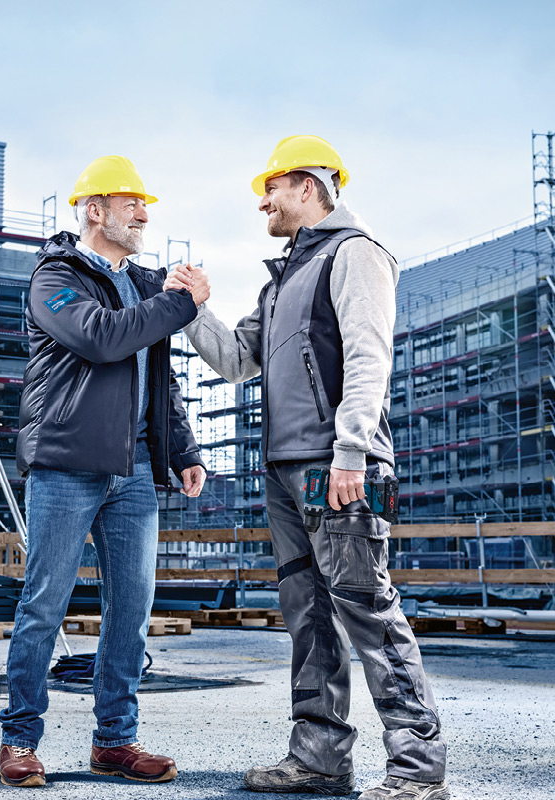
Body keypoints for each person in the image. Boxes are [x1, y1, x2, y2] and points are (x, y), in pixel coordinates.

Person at [166, 136, 448, 800]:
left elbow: (370, 356)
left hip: (337, 467)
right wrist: (194, 307)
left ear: (308, 187)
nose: (262, 200)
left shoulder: (356, 254)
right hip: (286, 471)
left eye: (271, 186)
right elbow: (236, 360)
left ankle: (418, 769)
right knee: (308, 616)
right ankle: (319, 756)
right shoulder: (285, 276)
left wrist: (352, 452)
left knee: (368, 614)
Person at [0, 155, 208, 787]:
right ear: (95, 210)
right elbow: (103, 339)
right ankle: (19, 739)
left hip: (135, 471)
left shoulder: (144, 284)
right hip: (66, 466)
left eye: (144, 204)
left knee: (131, 609)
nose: (144, 214)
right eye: (132, 203)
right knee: (45, 604)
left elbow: (157, 378)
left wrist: (184, 449)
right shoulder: (54, 277)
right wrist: (180, 303)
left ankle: (115, 740)